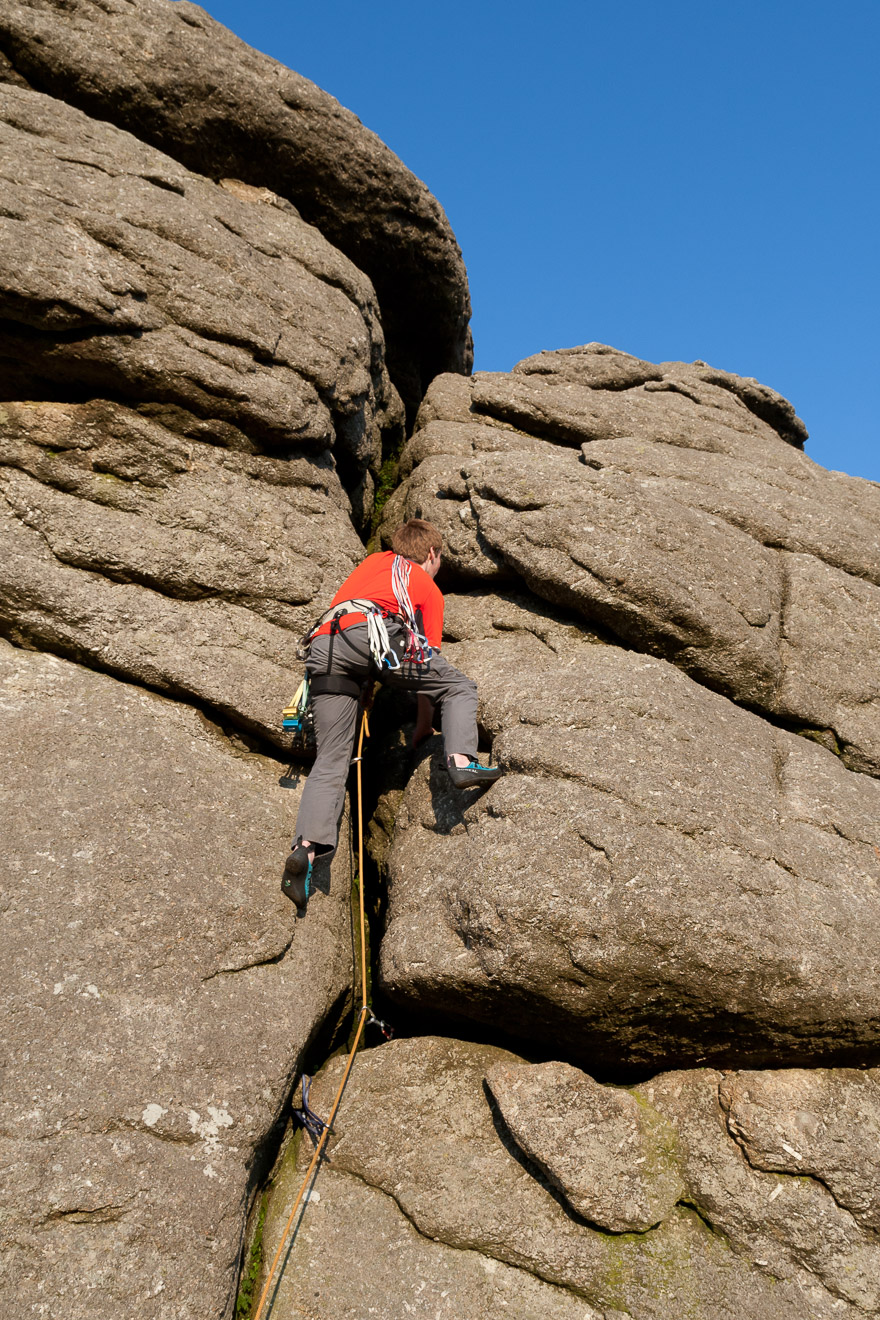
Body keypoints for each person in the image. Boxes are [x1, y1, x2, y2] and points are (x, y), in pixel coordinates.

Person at [282, 518, 502, 912]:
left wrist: (365, 689)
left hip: (326, 642)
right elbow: (424, 662)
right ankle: (463, 760)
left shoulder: (371, 565)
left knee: (331, 760)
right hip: (372, 636)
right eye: (439, 561)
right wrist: (423, 725)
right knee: (459, 686)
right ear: (432, 554)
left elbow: (352, 629)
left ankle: (305, 852)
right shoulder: (425, 586)